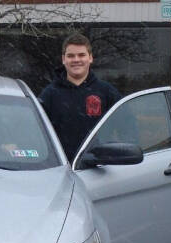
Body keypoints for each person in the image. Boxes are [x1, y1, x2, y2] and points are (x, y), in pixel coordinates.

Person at [39, 33, 123, 161]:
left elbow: (127, 128)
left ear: (90, 58)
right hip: (60, 169)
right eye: (71, 56)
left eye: (81, 55)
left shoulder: (107, 92)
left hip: (99, 169)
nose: (76, 60)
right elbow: (36, 133)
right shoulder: (49, 94)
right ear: (63, 59)